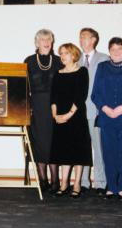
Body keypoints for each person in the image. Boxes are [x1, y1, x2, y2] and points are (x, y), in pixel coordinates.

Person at [91, 37, 122, 200]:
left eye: (120, 48)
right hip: (107, 118)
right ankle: (111, 186)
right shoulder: (102, 67)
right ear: (109, 52)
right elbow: (95, 94)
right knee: (109, 154)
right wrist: (106, 109)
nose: (116, 52)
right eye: (113, 49)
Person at [50, 43, 92, 198]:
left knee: (78, 151)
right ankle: (64, 184)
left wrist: (68, 115)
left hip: (76, 116)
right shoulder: (57, 73)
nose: (62, 56)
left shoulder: (82, 71)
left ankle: (77, 184)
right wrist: (55, 116)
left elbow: (80, 96)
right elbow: (53, 97)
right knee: (63, 151)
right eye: (61, 53)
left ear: (74, 55)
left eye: (66, 53)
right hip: (59, 117)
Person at [25, 29, 63, 193]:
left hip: (56, 106)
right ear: (36, 43)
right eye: (42, 39)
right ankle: (42, 179)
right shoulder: (29, 61)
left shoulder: (59, 60)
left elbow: (65, 85)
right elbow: (24, 86)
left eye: (49, 39)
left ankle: (55, 181)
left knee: (54, 141)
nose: (46, 42)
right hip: (37, 107)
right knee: (39, 142)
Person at [78, 27, 108, 196]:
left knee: (99, 148)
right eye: (80, 37)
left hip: (96, 111)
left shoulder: (104, 59)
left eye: (85, 37)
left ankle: (100, 182)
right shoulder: (76, 59)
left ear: (94, 40)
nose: (81, 40)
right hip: (78, 112)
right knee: (82, 148)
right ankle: (83, 182)